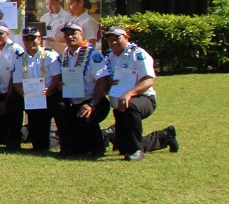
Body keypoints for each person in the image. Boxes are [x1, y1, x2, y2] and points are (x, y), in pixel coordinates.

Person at [103, 26, 179, 160]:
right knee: (124, 148)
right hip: (120, 106)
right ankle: (164, 136)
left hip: (143, 99)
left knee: (130, 106)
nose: (113, 42)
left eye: (117, 38)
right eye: (110, 39)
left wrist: (129, 94)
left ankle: (137, 150)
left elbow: (148, 80)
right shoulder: (110, 57)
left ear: (126, 38)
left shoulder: (137, 54)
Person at [57, 20, 109, 157]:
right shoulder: (63, 56)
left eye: (73, 33)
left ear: (82, 35)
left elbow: (102, 80)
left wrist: (92, 104)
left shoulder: (93, 55)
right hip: (73, 101)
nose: (70, 37)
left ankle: (99, 147)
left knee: (85, 117)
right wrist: (60, 84)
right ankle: (67, 146)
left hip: (94, 101)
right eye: (66, 34)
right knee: (78, 148)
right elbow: (59, 78)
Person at [8, 27, 61, 152]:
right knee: (13, 102)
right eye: (26, 39)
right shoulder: (20, 58)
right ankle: (13, 142)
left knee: (41, 144)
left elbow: (57, 78)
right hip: (29, 96)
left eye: (33, 38)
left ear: (40, 39)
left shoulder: (49, 55)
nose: (29, 41)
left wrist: (48, 91)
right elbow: (16, 83)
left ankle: (59, 140)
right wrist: (24, 95)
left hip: (49, 94)